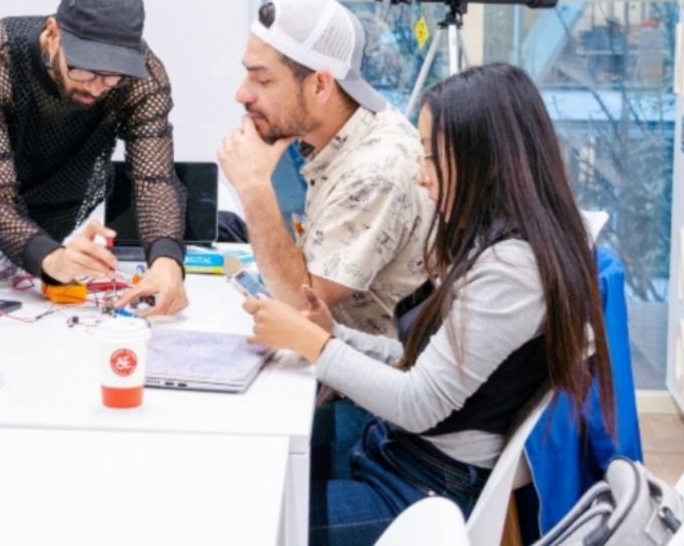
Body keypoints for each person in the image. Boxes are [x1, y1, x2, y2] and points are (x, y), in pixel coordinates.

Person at [242, 63, 616, 545]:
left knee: (259, 517)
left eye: (431, 159)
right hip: (403, 458)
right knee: (262, 468)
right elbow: (418, 367)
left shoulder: (513, 269)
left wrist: (316, 346)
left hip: (425, 491)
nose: (421, 178)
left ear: (489, 162)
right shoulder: (499, 242)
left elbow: (418, 403)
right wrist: (333, 334)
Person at [0, 0, 187, 316]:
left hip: (63, 204)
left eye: (110, 76)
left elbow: (154, 181)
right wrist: (53, 259)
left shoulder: (142, 78)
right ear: (53, 33)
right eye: (83, 70)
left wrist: (167, 260)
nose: (96, 87)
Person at [218, 0, 432, 337]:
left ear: (320, 84)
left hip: (369, 379)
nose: (242, 94)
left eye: (263, 79)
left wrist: (254, 188)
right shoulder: (338, 137)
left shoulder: (375, 170)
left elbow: (301, 308)